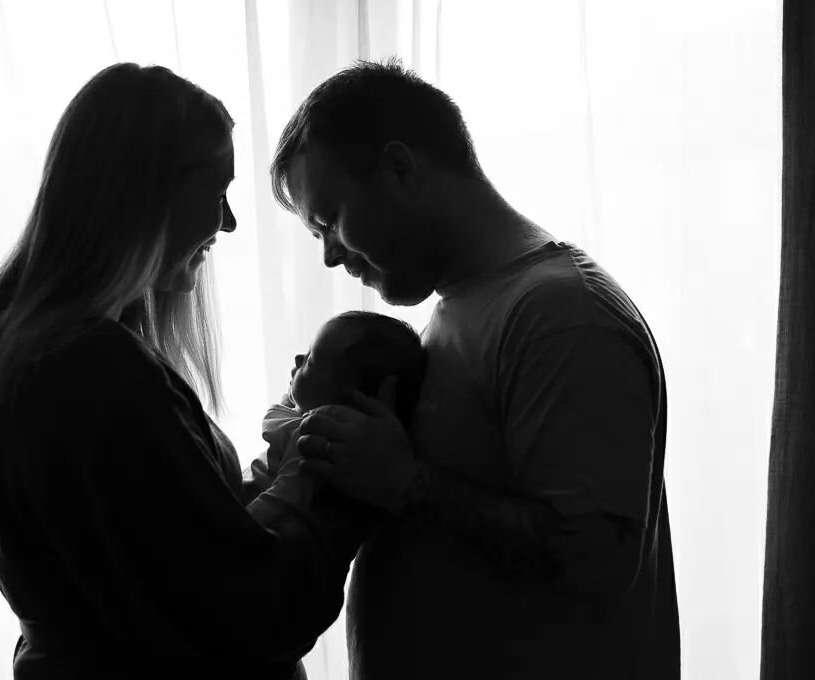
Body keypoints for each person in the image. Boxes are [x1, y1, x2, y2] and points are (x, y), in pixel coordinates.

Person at [267, 57, 681, 679]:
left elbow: (594, 560)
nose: (328, 257)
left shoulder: (563, 313)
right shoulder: (459, 308)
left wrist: (402, 482)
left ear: (400, 169)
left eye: (330, 221)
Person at [0, 63, 360, 680]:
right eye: (217, 192)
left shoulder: (14, 352)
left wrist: (273, 484)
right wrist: (346, 493)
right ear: (147, 194)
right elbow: (250, 610)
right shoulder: (103, 375)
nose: (226, 224)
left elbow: (170, 558)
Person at [245, 310, 425, 529]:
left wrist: (237, 527)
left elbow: (284, 496)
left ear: (346, 403)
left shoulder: (313, 436)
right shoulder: (301, 409)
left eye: (310, 361)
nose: (298, 358)